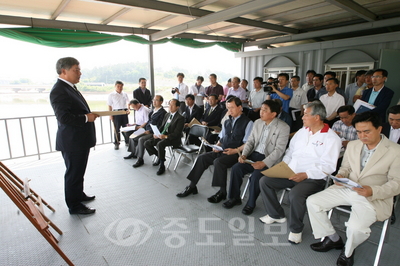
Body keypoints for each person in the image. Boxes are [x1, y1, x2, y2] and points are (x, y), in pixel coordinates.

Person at [307, 111, 400, 266]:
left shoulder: (395, 151)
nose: (362, 136)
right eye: (358, 132)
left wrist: (372, 190)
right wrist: (341, 176)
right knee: (313, 202)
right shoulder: (354, 145)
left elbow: (397, 183)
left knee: (355, 228)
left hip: (373, 196)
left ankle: (348, 252)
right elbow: (345, 167)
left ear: (379, 129)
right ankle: (333, 238)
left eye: (366, 131)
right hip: (349, 188)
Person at [258, 101, 341, 244]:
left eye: (306, 114)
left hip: (313, 178)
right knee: (265, 181)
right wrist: (284, 167)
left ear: (317, 117)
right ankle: (276, 214)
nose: (302, 117)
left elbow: (328, 166)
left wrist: (306, 174)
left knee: (295, 195)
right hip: (291, 172)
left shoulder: (331, 138)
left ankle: (296, 229)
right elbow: (290, 152)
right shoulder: (302, 132)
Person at [176, 97, 253, 202]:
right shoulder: (227, 121)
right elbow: (222, 138)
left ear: (240, 108)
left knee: (219, 162)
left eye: (232, 108)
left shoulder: (248, 123)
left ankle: (222, 192)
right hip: (223, 150)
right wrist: (217, 146)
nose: (229, 111)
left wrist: (235, 151)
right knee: (202, 158)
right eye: (228, 108)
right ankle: (192, 186)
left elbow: (248, 143)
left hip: (236, 153)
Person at [49, 57, 98, 215]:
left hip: (79, 140)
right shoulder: (59, 90)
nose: (80, 73)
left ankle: (78, 195)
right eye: (76, 70)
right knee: (73, 173)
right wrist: (86, 118)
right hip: (72, 141)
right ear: (64, 71)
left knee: (79, 171)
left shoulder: (70, 87)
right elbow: (63, 117)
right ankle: (74, 205)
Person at [223, 100, 290, 215]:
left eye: (265, 110)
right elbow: (251, 141)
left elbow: (279, 150)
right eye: (261, 109)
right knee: (236, 168)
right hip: (253, 155)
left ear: (273, 114)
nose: (261, 112)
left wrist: (264, 163)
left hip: (269, 159)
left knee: (256, 176)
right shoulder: (258, 123)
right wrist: (244, 154)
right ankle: (234, 198)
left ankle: (251, 203)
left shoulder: (283, 127)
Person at [144, 99, 185, 175]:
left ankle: (162, 165)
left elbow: (177, 133)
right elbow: (162, 127)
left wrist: (165, 136)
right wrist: (156, 133)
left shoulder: (180, 118)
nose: (170, 106)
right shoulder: (167, 115)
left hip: (172, 138)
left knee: (160, 144)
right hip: (162, 135)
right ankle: (160, 157)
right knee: (147, 143)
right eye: (169, 104)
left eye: (172, 105)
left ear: (177, 107)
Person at [125, 96, 167, 166]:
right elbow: (148, 122)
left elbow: (160, 125)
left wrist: (150, 131)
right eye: (153, 100)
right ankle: (134, 153)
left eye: (156, 100)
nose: (154, 102)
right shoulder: (153, 110)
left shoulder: (163, 112)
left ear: (161, 102)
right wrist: (143, 128)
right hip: (146, 129)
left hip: (153, 132)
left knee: (141, 139)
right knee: (133, 136)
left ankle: (140, 159)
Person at [107, 80, 130, 150]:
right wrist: (110, 115)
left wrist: (128, 109)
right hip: (116, 113)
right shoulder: (111, 95)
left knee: (126, 128)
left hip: (124, 112)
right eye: (118, 86)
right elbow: (109, 105)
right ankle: (116, 143)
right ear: (115, 86)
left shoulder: (125, 94)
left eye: (121, 86)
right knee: (116, 129)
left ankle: (127, 141)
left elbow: (128, 102)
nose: (120, 88)